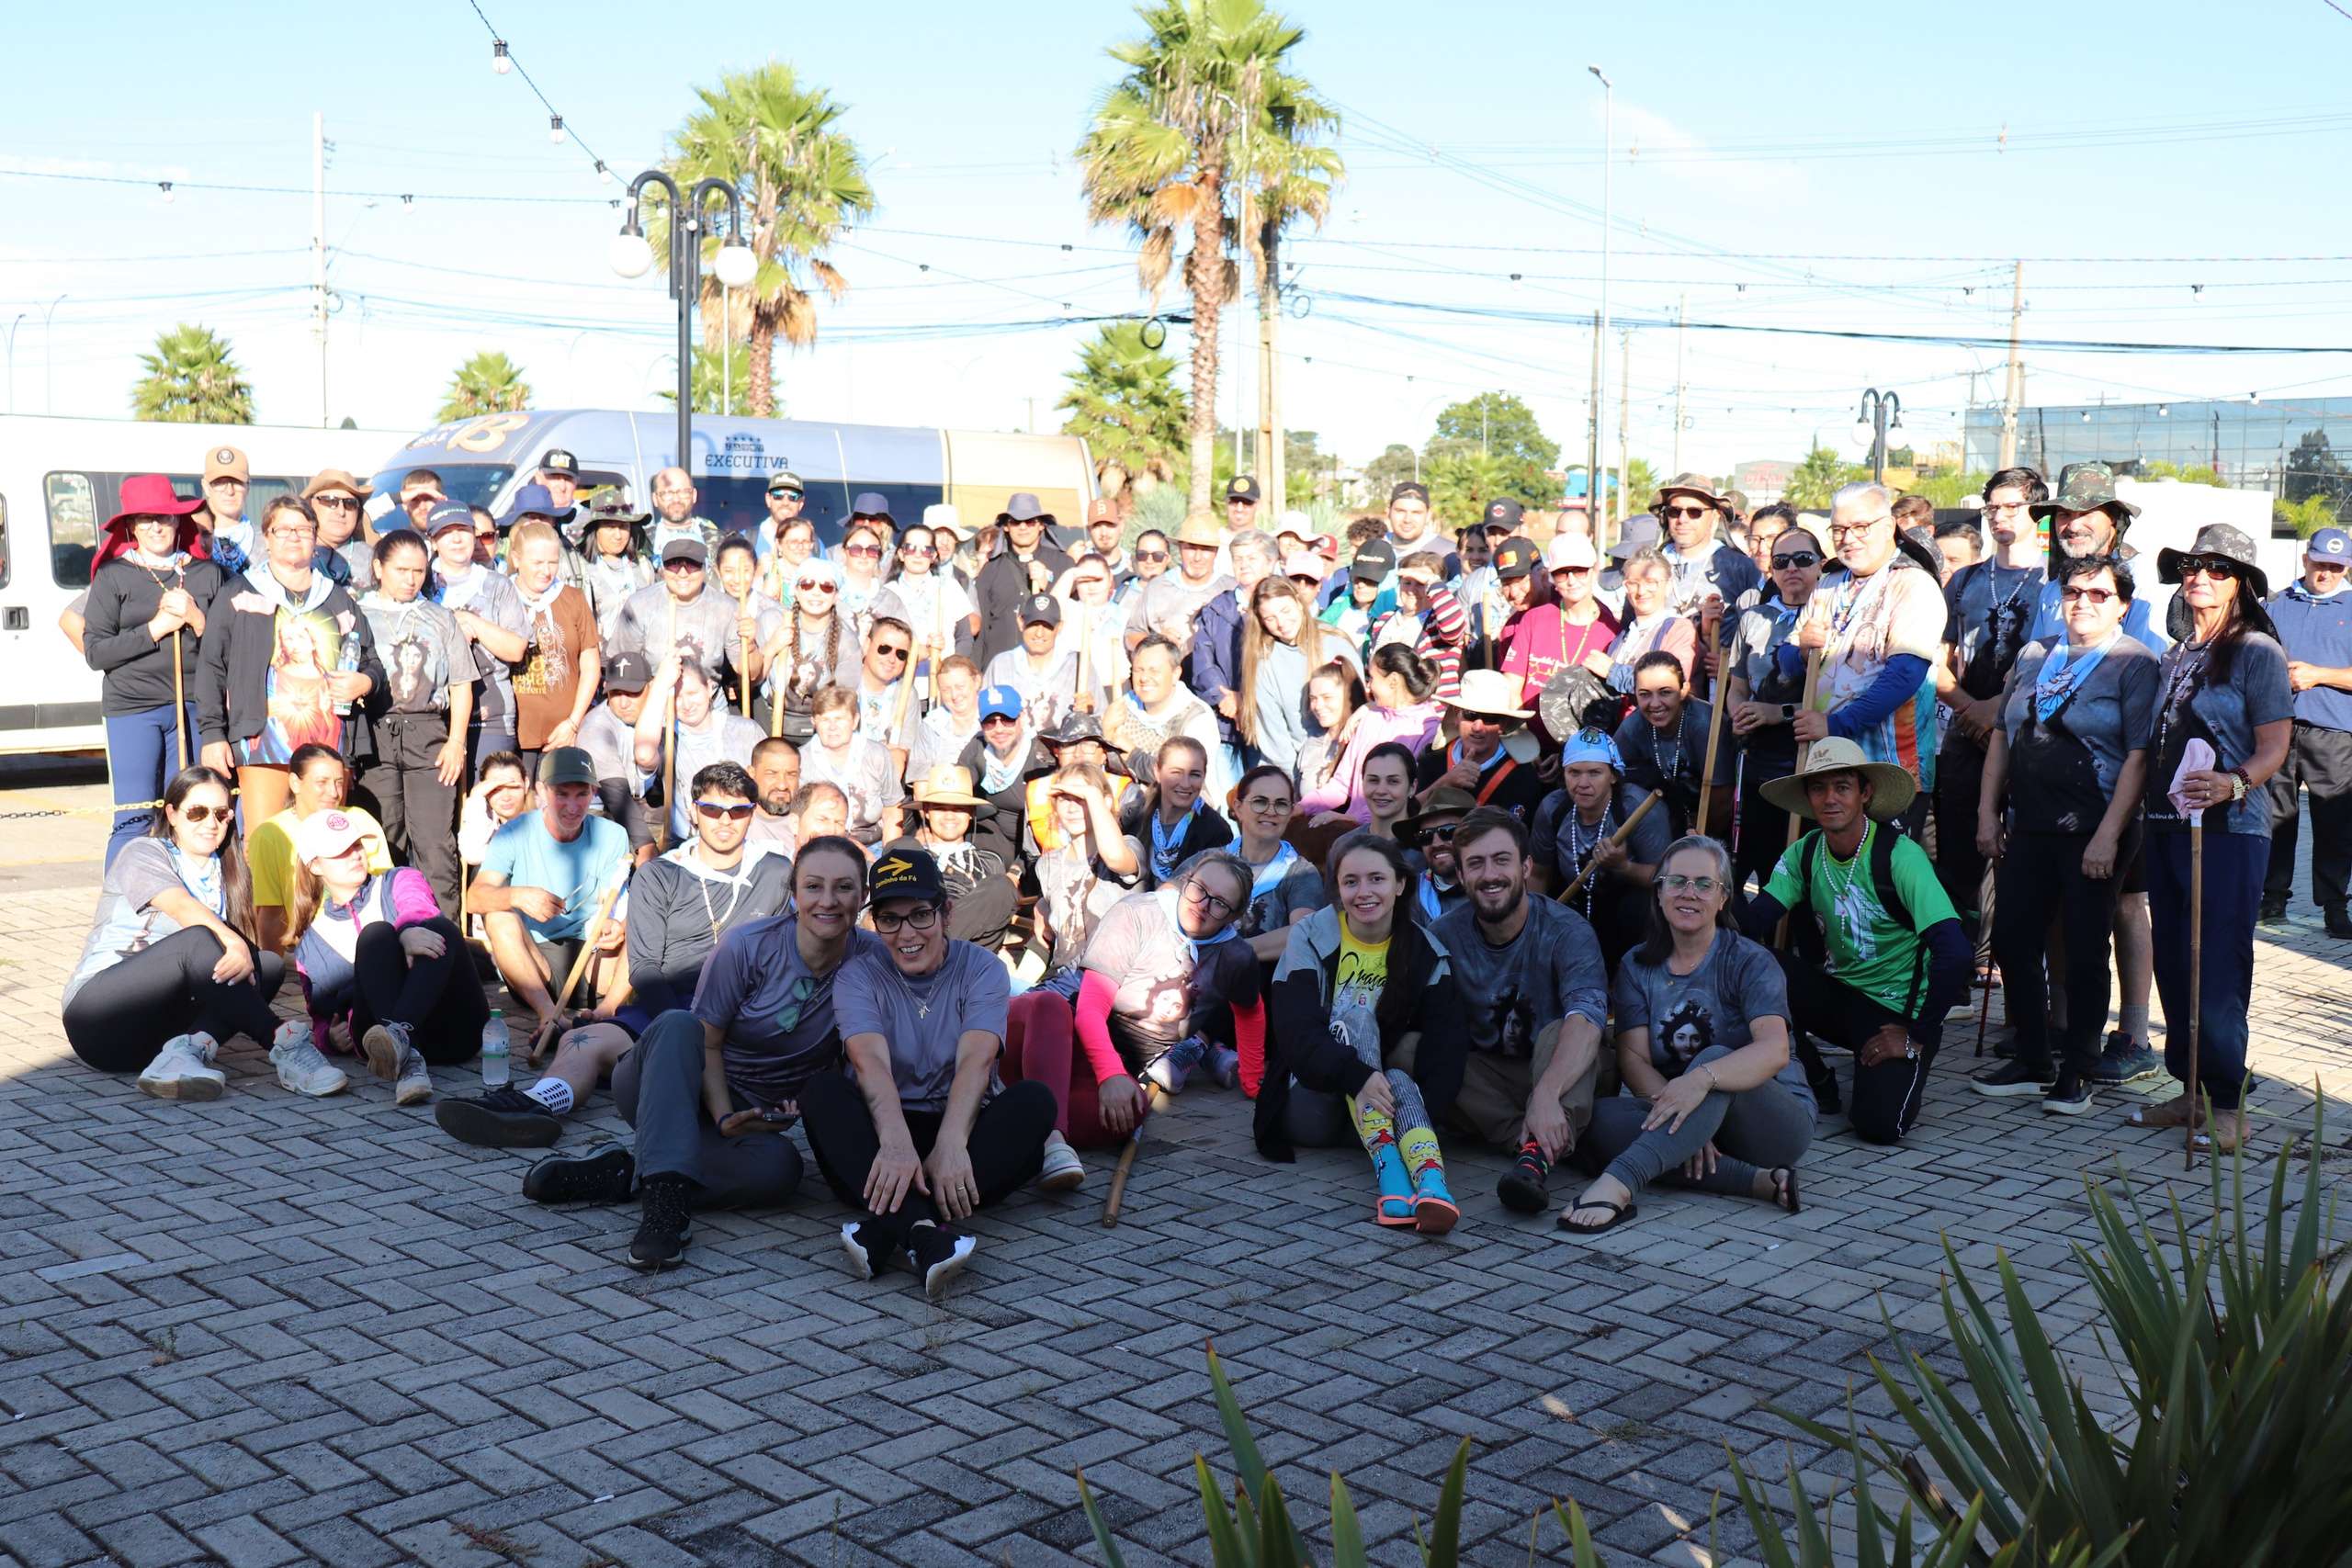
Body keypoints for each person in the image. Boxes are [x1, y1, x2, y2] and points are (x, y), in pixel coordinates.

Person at [519, 834, 881, 1270]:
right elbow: (707, 1040)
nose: (828, 900)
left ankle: (628, 1173)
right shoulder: (748, 945)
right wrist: (724, 1115)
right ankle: (665, 1211)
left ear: (863, 896)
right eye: (813, 886)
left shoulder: (873, 960)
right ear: (793, 893)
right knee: (678, 1022)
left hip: (750, 1115)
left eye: (844, 887)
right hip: (667, 1083)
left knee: (781, 1170)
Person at [438, 761, 797, 1152]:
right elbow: (643, 968)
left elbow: (785, 960)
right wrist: (676, 1031)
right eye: (712, 809)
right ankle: (533, 1107)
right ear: (693, 812)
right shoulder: (660, 873)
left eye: (738, 810)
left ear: (752, 814)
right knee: (585, 1041)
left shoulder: (777, 872)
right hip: (669, 1008)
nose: (724, 820)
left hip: (740, 1014)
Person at [801, 849, 1058, 1298]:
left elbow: (976, 1060)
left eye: (920, 915)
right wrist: (897, 1144)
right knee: (822, 1092)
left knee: (1035, 1102)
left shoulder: (982, 968)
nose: (906, 934)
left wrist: (952, 1144)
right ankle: (926, 1234)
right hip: (881, 1139)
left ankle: (883, 1228)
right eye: (889, 919)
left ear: (947, 913)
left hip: (959, 1131)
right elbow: (869, 1062)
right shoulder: (858, 975)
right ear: (874, 923)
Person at [1970, 555, 2159, 1113]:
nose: (2084, 602)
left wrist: (2108, 835)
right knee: (2011, 941)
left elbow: (2139, 756)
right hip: (2028, 823)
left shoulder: (2135, 662)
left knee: (2082, 951)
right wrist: (1987, 812)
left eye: (2100, 594)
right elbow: (2003, 736)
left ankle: (2078, 1068)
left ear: (2123, 603)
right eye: (2075, 591)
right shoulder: (2035, 653)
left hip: (2094, 828)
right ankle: (2032, 1056)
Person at [2132, 525, 2293, 1154]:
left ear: (2243, 583)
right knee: (2174, 960)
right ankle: (2191, 1089)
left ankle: (2228, 1105)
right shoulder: (2174, 654)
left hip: (2229, 830)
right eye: (2193, 564)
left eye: (2219, 567)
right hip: (2168, 824)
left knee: (2218, 964)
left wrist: (2235, 781)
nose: (2200, 574)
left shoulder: (2257, 650)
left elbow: (2275, 743)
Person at [1562, 835, 1809, 1235]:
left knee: (1714, 1057)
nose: (1688, 893)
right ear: (1659, 892)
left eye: (1703, 884)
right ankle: (1758, 1182)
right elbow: (1633, 1059)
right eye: (1676, 882)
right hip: (1679, 1103)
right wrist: (1682, 1117)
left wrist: (1698, 1082)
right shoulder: (1636, 965)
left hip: (1772, 1120)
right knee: (1599, 1118)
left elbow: (1775, 1050)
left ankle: (1620, 1183)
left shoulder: (1750, 961)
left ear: (1723, 897)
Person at [1738, 739, 1971, 1143]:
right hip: (1839, 995)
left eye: (1842, 786)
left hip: (1897, 1014)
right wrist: (1711, 881)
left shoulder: (1901, 856)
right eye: (1818, 788)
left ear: (1865, 793)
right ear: (1808, 797)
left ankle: (1910, 1053)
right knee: (1749, 960)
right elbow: (1750, 925)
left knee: (1879, 1127)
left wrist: (1916, 1036)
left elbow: (1955, 951)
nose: (1830, 799)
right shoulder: (1805, 852)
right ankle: (1815, 1079)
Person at [62, 766, 311, 1100]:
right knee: (198, 940)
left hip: (154, 1038)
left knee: (266, 965)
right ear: (173, 814)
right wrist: (233, 939)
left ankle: (180, 1055)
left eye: (222, 814)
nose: (211, 822)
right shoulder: (144, 852)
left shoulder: (229, 873)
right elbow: (181, 907)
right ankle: (282, 1041)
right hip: (97, 1017)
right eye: (197, 812)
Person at [1258, 832, 1464, 1233]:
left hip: (1375, 1118)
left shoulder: (1426, 950)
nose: (1363, 892)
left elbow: (1447, 1047)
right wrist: (1360, 1077)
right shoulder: (1310, 935)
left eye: (1376, 879)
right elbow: (1295, 1031)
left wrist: (1421, 1115)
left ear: (1400, 884)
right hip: (1312, 1103)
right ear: (1336, 888)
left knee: (1404, 1076)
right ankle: (1393, 1172)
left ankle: (1427, 1182)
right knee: (1358, 1016)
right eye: (1350, 881)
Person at [1430, 808, 1607, 1215]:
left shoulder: (1567, 930)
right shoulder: (1443, 935)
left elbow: (1588, 1018)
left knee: (1561, 1029)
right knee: (1410, 1049)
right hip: (1493, 1077)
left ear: (1526, 866)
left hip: (1566, 1072)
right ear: (1460, 875)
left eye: (1502, 860)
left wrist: (1545, 1094)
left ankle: (1535, 1155)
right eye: (1476, 863)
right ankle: (1539, 1145)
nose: (1490, 874)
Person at [195, 495, 382, 833]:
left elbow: (372, 662)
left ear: (315, 536)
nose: (294, 536)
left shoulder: (337, 599)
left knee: (327, 843)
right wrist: (212, 734)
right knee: (264, 841)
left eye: (304, 529)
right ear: (266, 538)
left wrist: (365, 682)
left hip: (328, 746)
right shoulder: (239, 594)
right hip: (261, 741)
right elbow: (211, 667)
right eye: (283, 529)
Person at [281, 808, 485, 1106]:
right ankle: (407, 1059)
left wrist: (406, 930)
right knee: (375, 936)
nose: (354, 855)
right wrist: (330, 1040)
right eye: (340, 851)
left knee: (440, 927)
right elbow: (320, 1019)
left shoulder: (399, 879)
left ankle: (400, 1035)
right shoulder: (310, 942)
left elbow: (419, 907)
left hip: (454, 1033)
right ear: (314, 866)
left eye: (356, 845)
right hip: (376, 1047)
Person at [85, 475, 229, 867]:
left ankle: (191, 902)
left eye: (163, 517)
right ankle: (123, 912)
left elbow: (230, 646)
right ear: (130, 527)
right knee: (135, 815)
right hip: (133, 709)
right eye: (144, 519)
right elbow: (96, 652)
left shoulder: (206, 573)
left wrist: (198, 619)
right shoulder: (113, 575)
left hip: (199, 707)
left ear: (176, 520)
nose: (155, 527)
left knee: (196, 813)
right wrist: (156, 629)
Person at [1935, 468, 2048, 940]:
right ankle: (1957, 971)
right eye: (1992, 507)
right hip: (1967, 734)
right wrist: (1969, 709)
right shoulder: (1963, 582)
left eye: (2012, 506)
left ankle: (2022, 975)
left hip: (2029, 736)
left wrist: (1996, 709)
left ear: (2036, 512)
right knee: (1958, 862)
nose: (2000, 516)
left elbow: (2058, 663)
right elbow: (1934, 662)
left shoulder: (2056, 582)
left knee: (2027, 867)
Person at [1786, 482, 1945, 814]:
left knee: (1881, 864)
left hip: (1891, 769)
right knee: (1833, 864)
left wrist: (1835, 725)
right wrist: (1801, 650)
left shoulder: (1913, 584)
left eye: (1860, 527)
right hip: (1828, 765)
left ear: (1888, 527)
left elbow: (1905, 675)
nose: (1848, 538)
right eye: (1839, 529)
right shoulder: (1829, 583)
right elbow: (1785, 662)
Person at [470, 748, 633, 1037]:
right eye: (561, 794)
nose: (572, 807)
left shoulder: (612, 834)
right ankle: (549, 1016)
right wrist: (517, 896)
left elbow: (611, 903)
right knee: (498, 916)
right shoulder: (515, 832)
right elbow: (474, 897)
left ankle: (607, 1012)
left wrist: (616, 926)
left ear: (594, 791)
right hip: (535, 968)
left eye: (581, 794)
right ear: (541, 790)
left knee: (644, 917)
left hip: (593, 958)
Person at [354, 529, 471, 917]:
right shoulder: (358, 614)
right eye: (401, 569)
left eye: (419, 571)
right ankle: (383, 932)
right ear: (378, 568)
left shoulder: (440, 618)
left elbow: (460, 685)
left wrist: (456, 742)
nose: (411, 579)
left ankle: (444, 939)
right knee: (383, 836)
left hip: (429, 734)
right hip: (374, 731)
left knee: (435, 841)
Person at [1723, 524, 1826, 893]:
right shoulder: (1753, 618)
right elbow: (1736, 689)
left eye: (1803, 558)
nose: (1791, 568)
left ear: (1821, 565)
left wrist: (1775, 713)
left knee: (1808, 873)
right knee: (1764, 866)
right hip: (1758, 764)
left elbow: (1837, 698)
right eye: (1781, 561)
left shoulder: (1831, 619)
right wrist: (1740, 713)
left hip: (1809, 763)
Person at [2261, 526, 2352, 934]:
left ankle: (2334, 906)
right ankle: (2272, 899)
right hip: (2277, 727)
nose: (2328, 573)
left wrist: (2319, 675)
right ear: (2305, 559)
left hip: (2333, 730)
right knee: (2276, 817)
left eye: (2337, 567)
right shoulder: (2276, 604)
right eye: (2321, 564)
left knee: (2335, 822)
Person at [1530, 729, 1672, 970]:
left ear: (1614, 776)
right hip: (1574, 906)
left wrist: (1623, 867)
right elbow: (1538, 875)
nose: (1583, 784)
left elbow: (1668, 878)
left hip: (1629, 915)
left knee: (1636, 907)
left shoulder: (1639, 810)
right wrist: (1534, 926)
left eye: (1594, 773)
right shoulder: (1553, 808)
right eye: (1574, 772)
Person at [249, 743, 398, 953]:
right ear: (295, 783)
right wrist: (276, 975)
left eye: (339, 782)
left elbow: (386, 890)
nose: (334, 792)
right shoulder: (270, 834)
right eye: (322, 782)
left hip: (367, 940)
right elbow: (272, 913)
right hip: (306, 950)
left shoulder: (361, 821)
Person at [422, 499, 529, 763]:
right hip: (433, 713)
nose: (457, 539)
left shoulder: (497, 585)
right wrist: (450, 625)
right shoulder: (419, 583)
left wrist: (471, 620)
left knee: (490, 796)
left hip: (490, 713)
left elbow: (516, 649)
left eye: (463, 530)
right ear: (433, 541)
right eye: (446, 532)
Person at [1295, 645, 1444, 824]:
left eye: (1372, 678)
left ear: (1393, 681)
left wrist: (1350, 819)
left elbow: (1407, 798)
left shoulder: (1428, 730)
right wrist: (1302, 808)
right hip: (1356, 833)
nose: (1369, 685)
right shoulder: (1370, 718)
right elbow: (1342, 785)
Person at [633, 653, 764, 845]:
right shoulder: (667, 738)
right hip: (689, 842)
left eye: (693, 694)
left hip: (744, 840)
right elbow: (644, 755)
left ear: (710, 688)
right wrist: (660, 685)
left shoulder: (746, 730)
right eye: (677, 697)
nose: (686, 705)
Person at [889, 765, 1019, 953]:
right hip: (911, 939)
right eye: (940, 808)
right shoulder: (912, 854)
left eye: (958, 809)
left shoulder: (989, 862)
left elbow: (991, 915)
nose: (949, 816)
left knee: (1003, 886)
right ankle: (929, 944)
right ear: (926, 811)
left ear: (971, 814)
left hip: (966, 954)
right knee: (902, 848)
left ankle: (932, 944)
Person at [507, 520, 600, 772]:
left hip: (564, 730)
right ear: (517, 559)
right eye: (537, 563)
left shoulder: (574, 598)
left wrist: (573, 722)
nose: (546, 571)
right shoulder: (501, 595)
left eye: (553, 562)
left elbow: (591, 665)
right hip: (514, 730)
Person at [1614, 652, 1735, 839]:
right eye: (1645, 695)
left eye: (1665, 692)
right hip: (1670, 815)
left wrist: (1696, 843)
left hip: (1715, 824)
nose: (1655, 704)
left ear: (1683, 690)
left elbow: (1721, 802)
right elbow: (1610, 776)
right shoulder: (1634, 725)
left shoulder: (1703, 725)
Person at [1502, 535, 1619, 722]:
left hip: (1584, 745)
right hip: (1530, 743)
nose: (1571, 581)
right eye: (1562, 573)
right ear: (1552, 577)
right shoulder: (1533, 620)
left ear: (1595, 571)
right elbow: (1511, 690)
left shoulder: (1612, 631)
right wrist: (1524, 745)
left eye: (1580, 571)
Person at [1414, 669, 1554, 825]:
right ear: (1456, 716)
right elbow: (1408, 813)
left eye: (1489, 718)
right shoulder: (1431, 757)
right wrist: (1446, 782)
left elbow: (1512, 837)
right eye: (1470, 714)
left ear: (1503, 724)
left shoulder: (1522, 776)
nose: (1478, 727)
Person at [1187, 528, 1280, 760]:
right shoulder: (1216, 609)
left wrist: (1247, 698)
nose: (1243, 564)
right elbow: (1203, 663)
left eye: (1251, 558)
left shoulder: (1284, 606)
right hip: (1224, 724)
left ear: (1271, 563)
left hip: (1269, 726)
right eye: (1238, 558)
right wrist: (1226, 698)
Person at [612, 536, 744, 689]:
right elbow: (621, 665)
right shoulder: (639, 605)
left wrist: (751, 644)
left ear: (705, 568)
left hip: (709, 703)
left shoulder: (726, 608)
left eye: (692, 564)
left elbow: (748, 671)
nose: (682, 573)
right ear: (663, 569)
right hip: (657, 699)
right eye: (674, 564)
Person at [1227, 765, 1327, 966]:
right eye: (1260, 802)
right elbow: (1166, 898)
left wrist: (1225, 952)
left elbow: (1302, 933)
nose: (1270, 811)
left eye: (1281, 804)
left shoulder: (1301, 873)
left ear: (1290, 813)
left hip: (1266, 989)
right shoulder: (1212, 860)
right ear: (1238, 808)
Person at [1103, 634, 1222, 782]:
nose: (1144, 678)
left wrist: (1134, 757)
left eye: (1154, 671)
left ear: (1175, 674)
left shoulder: (1196, 717)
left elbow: (1181, 779)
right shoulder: (1120, 708)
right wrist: (1106, 729)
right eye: (1139, 670)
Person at [1122, 735, 1235, 889]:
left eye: (1195, 774)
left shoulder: (1216, 831)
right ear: (1157, 772)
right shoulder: (1133, 815)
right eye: (1176, 773)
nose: (1185, 784)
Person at [573, 652, 659, 856]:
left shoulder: (661, 714)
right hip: (602, 812)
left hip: (646, 803)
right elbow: (615, 793)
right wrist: (645, 845)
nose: (623, 702)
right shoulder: (596, 727)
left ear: (650, 687)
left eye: (632, 693)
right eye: (616, 693)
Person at [870, 517, 978, 677]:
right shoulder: (887, 593)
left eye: (926, 550)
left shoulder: (948, 587)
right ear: (901, 553)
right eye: (911, 548)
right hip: (898, 683)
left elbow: (965, 637)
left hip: (941, 682)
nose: (918, 555)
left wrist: (954, 669)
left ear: (933, 555)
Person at [762, 555, 853, 741]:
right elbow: (752, 679)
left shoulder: (847, 639)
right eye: (807, 584)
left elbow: (845, 700)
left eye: (826, 587)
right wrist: (771, 648)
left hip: (820, 727)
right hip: (770, 719)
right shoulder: (772, 620)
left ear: (836, 595)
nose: (816, 593)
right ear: (795, 589)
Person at [976, 494, 1074, 664]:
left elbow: (1072, 617)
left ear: (1041, 525)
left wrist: (1048, 586)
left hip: (1049, 667)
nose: (1022, 527)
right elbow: (981, 630)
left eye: (1030, 521)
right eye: (1015, 521)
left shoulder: (1064, 565)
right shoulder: (990, 570)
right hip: (1001, 665)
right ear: (1006, 527)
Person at [956, 684, 1047, 867]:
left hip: (1039, 843)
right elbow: (954, 797)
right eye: (990, 721)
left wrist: (1017, 869)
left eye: (1007, 719)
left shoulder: (1042, 756)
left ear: (1022, 717)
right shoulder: (977, 748)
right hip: (996, 841)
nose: (998, 729)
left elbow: (1051, 826)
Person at [1654, 473, 1763, 622]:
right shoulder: (1649, 567)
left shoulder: (1743, 568)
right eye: (1674, 511)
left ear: (1715, 516)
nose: (1682, 519)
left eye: (1694, 512)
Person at [1124, 514, 1230, 656]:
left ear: (1216, 551)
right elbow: (1132, 634)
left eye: (1205, 549)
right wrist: (1155, 642)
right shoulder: (1156, 587)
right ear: (1180, 548)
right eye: (1191, 548)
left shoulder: (1230, 589)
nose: (1197, 557)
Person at [1606, 547, 1699, 702]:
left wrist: (1612, 671)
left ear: (1668, 586)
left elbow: (1671, 685)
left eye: (1651, 582)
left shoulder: (1679, 630)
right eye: (1633, 584)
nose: (1641, 591)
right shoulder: (1623, 636)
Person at [985, 592, 1085, 734]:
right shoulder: (1001, 665)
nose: (1039, 633)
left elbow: (1100, 720)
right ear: (1021, 623)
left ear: (1059, 627)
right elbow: (984, 718)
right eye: (1033, 624)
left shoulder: (1078, 665)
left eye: (1047, 626)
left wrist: (1089, 711)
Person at [569, 493, 658, 644]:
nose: (618, 535)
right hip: (603, 660)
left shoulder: (643, 567)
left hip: (641, 659)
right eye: (609, 526)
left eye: (624, 527)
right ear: (595, 530)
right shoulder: (582, 571)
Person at [713, 535, 784, 719]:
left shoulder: (773, 610)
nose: (737, 579)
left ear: (755, 570)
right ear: (717, 571)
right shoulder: (711, 608)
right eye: (729, 570)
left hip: (764, 700)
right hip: (722, 703)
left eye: (745, 570)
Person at [847, 615, 919, 770]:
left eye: (901, 654)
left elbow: (906, 749)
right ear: (867, 645)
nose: (892, 659)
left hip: (887, 773)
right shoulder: (845, 682)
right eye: (884, 649)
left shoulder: (907, 694)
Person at [1294, 660, 1364, 799]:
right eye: (1313, 698)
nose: (1318, 706)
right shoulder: (1310, 746)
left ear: (1349, 696)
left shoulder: (1363, 742)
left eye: (1327, 698)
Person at [909, 653, 984, 781]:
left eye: (960, 687)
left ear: (977, 682)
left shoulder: (992, 720)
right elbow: (921, 783)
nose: (954, 695)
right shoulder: (931, 727)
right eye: (946, 690)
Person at [302, 469, 375, 591]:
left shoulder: (373, 559)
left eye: (350, 503)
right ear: (310, 505)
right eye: (330, 501)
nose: (341, 512)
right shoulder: (293, 552)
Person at [458, 750, 532, 867]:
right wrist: (476, 796)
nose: (506, 797)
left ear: (526, 784)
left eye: (513, 787)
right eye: (496, 789)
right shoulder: (488, 823)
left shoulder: (543, 816)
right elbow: (473, 855)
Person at [192, 446, 255, 574]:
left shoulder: (266, 541)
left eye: (237, 482)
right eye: (220, 483)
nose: (229, 491)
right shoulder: (189, 539)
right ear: (205, 486)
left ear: (248, 487)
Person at [646, 467, 722, 563]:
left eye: (683, 492)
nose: (676, 500)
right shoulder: (641, 543)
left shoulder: (719, 542)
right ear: (655, 499)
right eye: (667, 493)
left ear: (694, 495)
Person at [747, 735, 803, 848]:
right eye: (771, 774)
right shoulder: (733, 820)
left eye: (791, 775)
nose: (782, 785)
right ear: (751, 773)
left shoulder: (807, 826)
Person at [836, 519, 889, 633]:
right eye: (856, 549)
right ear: (843, 553)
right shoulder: (826, 590)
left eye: (872, 550)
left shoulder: (891, 600)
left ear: (879, 557)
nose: (864, 555)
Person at [1084, 498, 1130, 582]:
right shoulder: (1078, 568)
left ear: (1122, 526)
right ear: (1089, 530)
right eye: (1097, 526)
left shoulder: (1136, 568)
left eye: (1110, 525)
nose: (1104, 533)